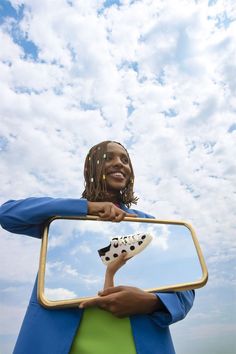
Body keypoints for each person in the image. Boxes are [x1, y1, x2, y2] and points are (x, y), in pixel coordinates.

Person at [0, 140, 195, 354]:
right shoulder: (64, 220)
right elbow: (8, 215)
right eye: (109, 157)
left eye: (125, 160)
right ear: (90, 168)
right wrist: (87, 208)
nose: (119, 163)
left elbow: (185, 288)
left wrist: (151, 302)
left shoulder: (149, 225)